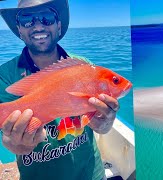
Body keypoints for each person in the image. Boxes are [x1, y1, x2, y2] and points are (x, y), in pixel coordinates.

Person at [0, 0, 119, 179]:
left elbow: (101, 128)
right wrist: (17, 144)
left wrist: (105, 123)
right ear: (19, 29)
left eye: (47, 17)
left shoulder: (84, 65)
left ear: (59, 25)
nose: (38, 26)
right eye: (27, 19)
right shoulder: (4, 75)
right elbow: (8, 139)